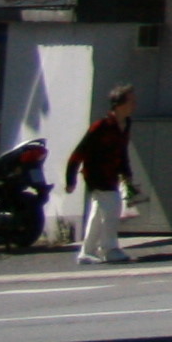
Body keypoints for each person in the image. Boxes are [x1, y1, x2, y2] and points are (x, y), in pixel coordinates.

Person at [64, 83, 133, 265]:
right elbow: (78, 153)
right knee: (112, 208)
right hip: (97, 174)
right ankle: (109, 249)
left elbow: (122, 151)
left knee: (98, 212)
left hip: (112, 174)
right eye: (131, 101)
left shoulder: (126, 124)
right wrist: (70, 180)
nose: (134, 105)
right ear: (119, 104)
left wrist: (127, 174)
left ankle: (87, 251)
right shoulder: (101, 126)